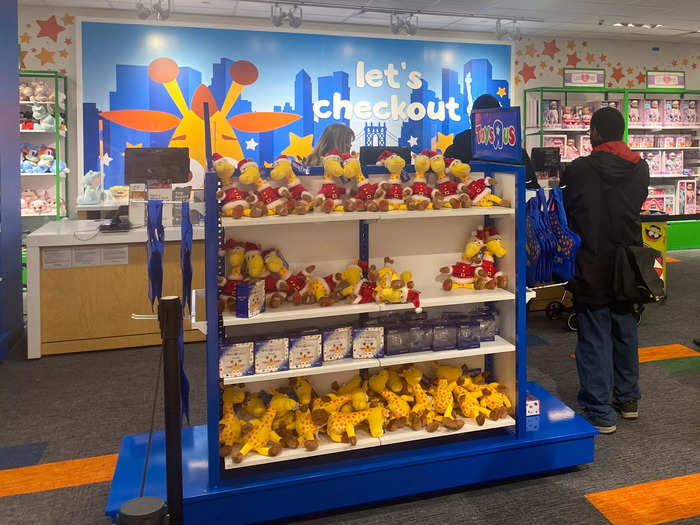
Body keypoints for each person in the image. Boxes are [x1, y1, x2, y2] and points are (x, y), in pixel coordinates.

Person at [561, 107, 649, 434]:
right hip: (628, 262)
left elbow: (569, 211)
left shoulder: (578, 170)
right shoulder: (641, 168)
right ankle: (628, 400)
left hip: (591, 258)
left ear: (595, 132)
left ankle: (599, 409)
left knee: (594, 335)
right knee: (625, 328)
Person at [444, 94, 540, 189]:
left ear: (472, 118)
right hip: (510, 201)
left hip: (470, 198)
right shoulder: (513, 149)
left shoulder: (458, 144)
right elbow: (532, 186)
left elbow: (445, 182)